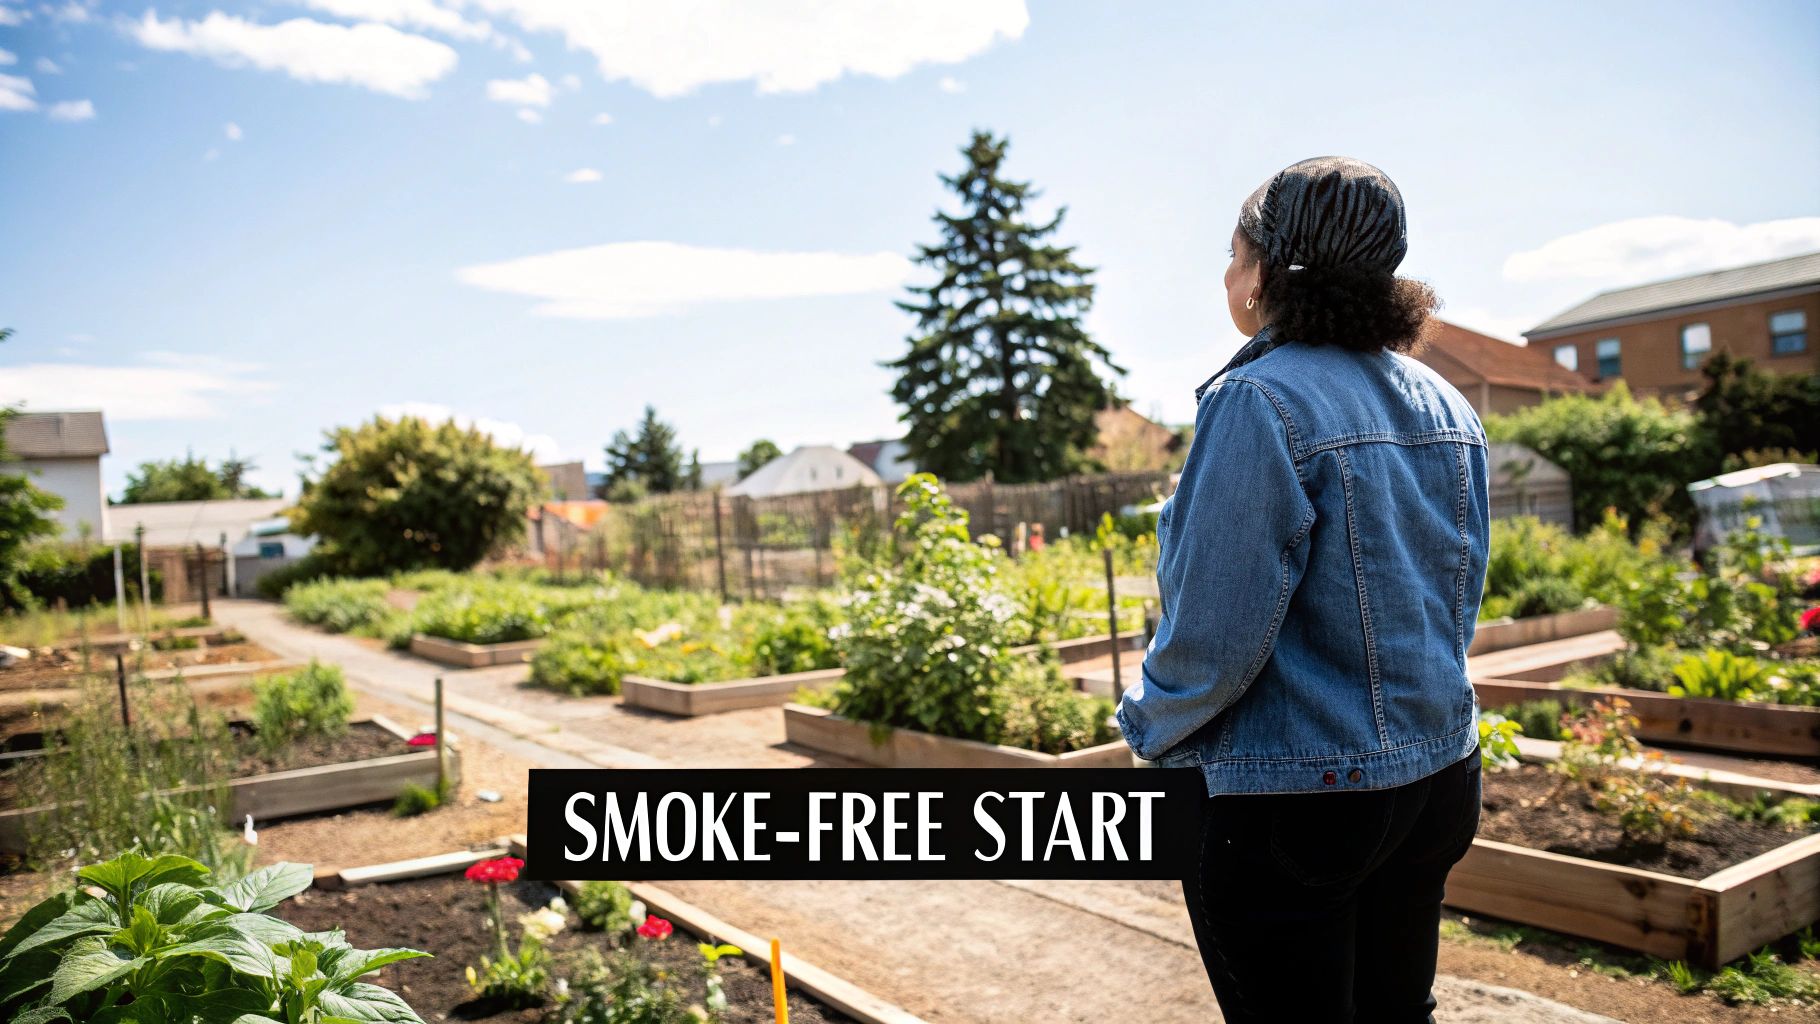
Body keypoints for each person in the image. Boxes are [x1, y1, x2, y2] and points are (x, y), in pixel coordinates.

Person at [1115, 156, 1489, 1023]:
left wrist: (1147, 724)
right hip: (1438, 777)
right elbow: (1456, 597)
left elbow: (1213, 635)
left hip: (1298, 799)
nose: (1226, 274)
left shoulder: (1258, 399)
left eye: (1232, 254)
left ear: (1263, 276)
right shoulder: (1445, 403)